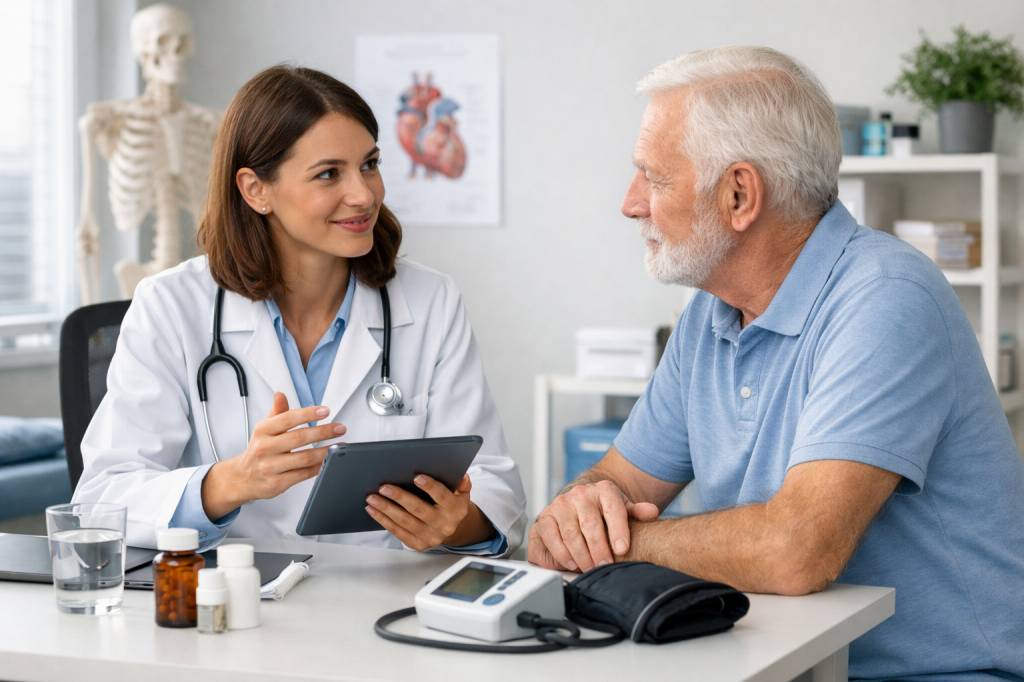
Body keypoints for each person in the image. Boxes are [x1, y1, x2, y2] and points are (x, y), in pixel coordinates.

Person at [529, 46, 1024, 680]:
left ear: (740, 193)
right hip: (785, 661)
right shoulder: (709, 314)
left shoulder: (885, 296)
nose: (631, 204)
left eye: (653, 179)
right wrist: (579, 511)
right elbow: (615, 482)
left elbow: (796, 551)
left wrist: (614, 545)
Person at [73, 65, 526, 557]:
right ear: (255, 190)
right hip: (231, 601)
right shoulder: (171, 305)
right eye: (329, 173)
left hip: (380, 599)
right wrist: (231, 482)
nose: (365, 194)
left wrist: (455, 525)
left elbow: (493, 481)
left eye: (369, 165)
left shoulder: (429, 299)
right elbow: (102, 499)